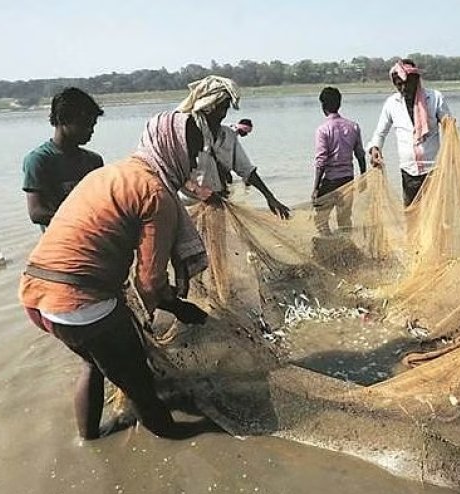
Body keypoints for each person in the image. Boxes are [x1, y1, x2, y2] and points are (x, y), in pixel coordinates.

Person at [19, 112, 211, 440]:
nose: (193, 162)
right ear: (173, 148)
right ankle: (176, 433)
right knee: (138, 380)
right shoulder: (155, 192)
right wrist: (180, 309)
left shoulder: (110, 172)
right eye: (191, 152)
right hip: (80, 303)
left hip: (38, 292)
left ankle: (89, 438)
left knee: (95, 363)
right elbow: (149, 281)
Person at [176, 76, 290, 218]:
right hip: (188, 208)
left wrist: (269, 197)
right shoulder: (185, 135)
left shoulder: (228, 136)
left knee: (217, 240)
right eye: (221, 108)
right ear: (207, 107)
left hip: (218, 204)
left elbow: (247, 171)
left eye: (226, 109)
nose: (223, 114)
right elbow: (174, 175)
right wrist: (202, 193)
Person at [367, 59, 451, 207]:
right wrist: (375, 149)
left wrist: (450, 129)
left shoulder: (435, 98)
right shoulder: (392, 104)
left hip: (434, 169)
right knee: (412, 214)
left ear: (416, 80)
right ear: (395, 84)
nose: (404, 88)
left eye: (408, 83)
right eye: (399, 84)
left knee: (436, 213)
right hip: (408, 171)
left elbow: (449, 127)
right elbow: (380, 133)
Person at [22, 87, 104, 230]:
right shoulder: (39, 160)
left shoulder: (94, 161)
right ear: (62, 120)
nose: (91, 131)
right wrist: (81, 223)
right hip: (62, 241)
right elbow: (36, 213)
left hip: (94, 239)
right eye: (85, 124)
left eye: (92, 125)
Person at [312, 87, 366, 236]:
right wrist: (363, 177)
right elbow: (360, 155)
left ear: (323, 106)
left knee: (320, 219)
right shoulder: (353, 126)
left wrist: (316, 187)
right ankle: (345, 248)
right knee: (344, 219)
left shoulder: (323, 130)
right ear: (339, 104)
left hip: (330, 181)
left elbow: (321, 161)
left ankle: (330, 245)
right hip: (348, 181)